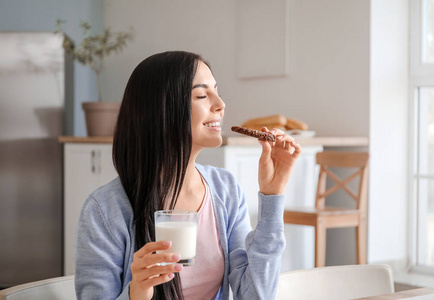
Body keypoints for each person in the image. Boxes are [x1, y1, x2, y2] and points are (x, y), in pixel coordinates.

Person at [74, 51, 301, 300]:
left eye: (217, 91)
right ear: (161, 110)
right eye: (202, 95)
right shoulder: (105, 210)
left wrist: (272, 195)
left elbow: (256, 296)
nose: (221, 105)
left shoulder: (225, 189)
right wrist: (136, 293)